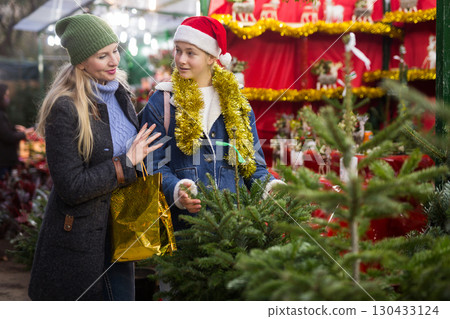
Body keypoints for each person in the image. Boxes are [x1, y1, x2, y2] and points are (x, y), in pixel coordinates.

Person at [28, 14, 162, 301]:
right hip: (81, 240)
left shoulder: (121, 92)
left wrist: (161, 106)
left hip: (121, 230)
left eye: (115, 50)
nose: (114, 60)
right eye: (103, 56)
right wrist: (127, 163)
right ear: (81, 62)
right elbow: (72, 187)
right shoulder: (65, 108)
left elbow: (122, 138)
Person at [140, 16, 282, 231]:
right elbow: (153, 164)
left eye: (190, 53)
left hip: (235, 229)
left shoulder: (236, 102)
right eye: (178, 50)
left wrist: (269, 185)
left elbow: (252, 164)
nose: (181, 60)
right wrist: (176, 189)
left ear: (211, 57)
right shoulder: (163, 102)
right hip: (183, 230)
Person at [0, 83, 33, 179]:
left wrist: (14, 128)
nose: (7, 98)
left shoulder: (2, 114)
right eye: (6, 95)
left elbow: (4, 130)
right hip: (3, 162)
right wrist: (24, 133)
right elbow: (8, 136)